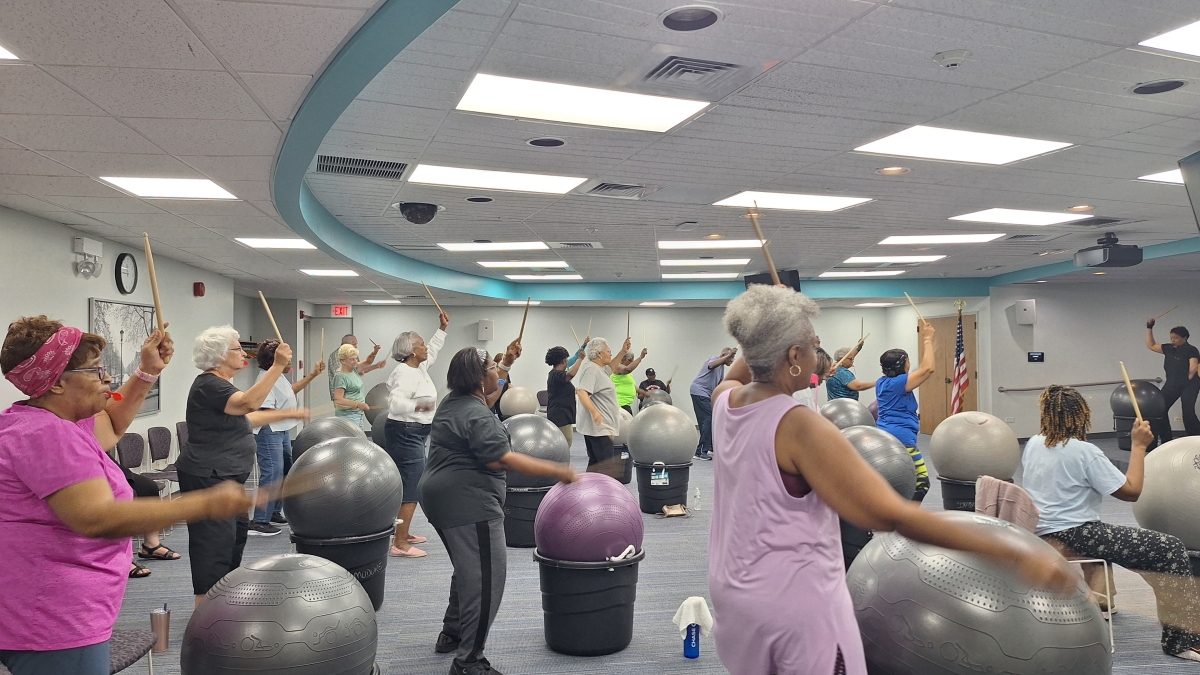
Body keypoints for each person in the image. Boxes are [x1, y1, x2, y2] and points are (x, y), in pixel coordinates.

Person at [707, 285, 1075, 675]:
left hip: (735, 591)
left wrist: (767, 318)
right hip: (793, 602)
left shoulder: (725, 401)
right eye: (814, 345)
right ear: (795, 357)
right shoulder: (798, 425)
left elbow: (743, 366)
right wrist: (1014, 553)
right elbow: (890, 514)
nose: (819, 353)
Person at [0, 317, 251, 675]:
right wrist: (205, 503)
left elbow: (113, 425)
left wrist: (148, 371)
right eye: (95, 370)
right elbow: (98, 518)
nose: (107, 378)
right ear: (56, 383)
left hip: (49, 610)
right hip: (53, 618)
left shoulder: (47, 422)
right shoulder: (48, 435)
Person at [419, 347, 576, 675]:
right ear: (479, 378)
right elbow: (502, 460)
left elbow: (489, 395)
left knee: (469, 569)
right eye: (493, 368)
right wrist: (559, 470)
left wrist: (505, 364)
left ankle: (452, 632)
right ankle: (469, 662)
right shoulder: (476, 416)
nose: (498, 375)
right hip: (468, 504)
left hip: (439, 498)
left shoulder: (455, 402)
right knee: (486, 582)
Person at [1021, 385, 1200, 661]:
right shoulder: (1084, 451)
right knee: (1170, 548)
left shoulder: (1034, 443)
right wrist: (1139, 446)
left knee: (1109, 536)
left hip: (1039, 531)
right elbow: (1131, 491)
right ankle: (1181, 642)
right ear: (1081, 416)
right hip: (1074, 534)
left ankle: (1104, 602)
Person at [180, 325, 304, 605]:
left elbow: (245, 419)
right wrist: (278, 365)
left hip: (227, 477)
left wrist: (285, 414)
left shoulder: (221, 386)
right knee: (212, 547)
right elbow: (248, 404)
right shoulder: (210, 384)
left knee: (233, 540)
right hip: (208, 476)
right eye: (238, 349)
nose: (244, 354)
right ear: (220, 355)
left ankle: (222, 603)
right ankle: (206, 612)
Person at [383, 310, 449, 559]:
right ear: (411, 351)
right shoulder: (405, 373)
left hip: (415, 432)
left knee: (408, 483)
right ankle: (400, 543)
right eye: (421, 344)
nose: (425, 347)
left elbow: (434, 349)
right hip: (405, 432)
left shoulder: (418, 367)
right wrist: (419, 406)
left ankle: (403, 532)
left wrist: (442, 329)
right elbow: (395, 404)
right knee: (413, 486)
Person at [249, 339, 322, 536]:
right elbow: (264, 411)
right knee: (272, 473)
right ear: (275, 359)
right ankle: (259, 521)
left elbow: (290, 391)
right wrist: (291, 414)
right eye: (287, 358)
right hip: (268, 431)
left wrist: (313, 375)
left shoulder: (279, 376)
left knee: (285, 470)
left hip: (281, 430)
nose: (290, 361)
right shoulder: (265, 379)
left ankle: (273, 511)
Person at [875, 325, 937, 501]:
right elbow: (928, 369)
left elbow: (924, 369)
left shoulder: (882, 382)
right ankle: (907, 517)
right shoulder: (899, 383)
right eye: (908, 361)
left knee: (893, 484)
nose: (910, 365)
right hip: (902, 440)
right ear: (902, 364)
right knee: (921, 483)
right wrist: (927, 339)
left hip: (886, 436)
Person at [575, 337, 628, 476]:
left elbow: (611, 368)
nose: (611, 354)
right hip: (599, 429)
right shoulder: (592, 370)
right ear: (599, 354)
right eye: (609, 351)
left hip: (598, 428)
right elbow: (582, 392)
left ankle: (589, 487)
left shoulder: (599, 368)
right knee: (606, 465)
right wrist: (594, 412)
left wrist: (623, 351)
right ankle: (604, 490)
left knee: (595, 462)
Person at [1145, 319, 1200, 439]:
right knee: (1160, 409)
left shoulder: (1191, 350)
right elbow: (1151, 345)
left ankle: (1195, 439)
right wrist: (1149, 327)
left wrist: (1187, 379)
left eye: (1176, 337)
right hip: (1173, 383)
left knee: (1188, 412)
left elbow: (1193, 367)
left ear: (1184, 338)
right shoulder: (1168, 348)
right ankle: (1166, 439)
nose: (1173, 340)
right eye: (1171, 337)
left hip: (1190, 384)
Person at [122, 466, 179, 578]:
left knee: (149, 486)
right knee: (121, 492)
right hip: (91, 471)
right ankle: (122, 557)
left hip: (107, 463)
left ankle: (151, 545)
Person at [691, 347, 738, 461]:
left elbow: (719, 385)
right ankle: (700, 452)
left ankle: (711, 447)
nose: (732, 360)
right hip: (699, 392)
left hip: (707, 395)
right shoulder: (713, 359)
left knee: (711, 419)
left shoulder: (721, 368)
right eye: (731, 357)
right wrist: (729, 354)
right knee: (709, 418)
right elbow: (711, 365)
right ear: (724, 355)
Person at [545, 340, 587, 446]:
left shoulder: (555, 375)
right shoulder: (556, 374)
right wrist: (580, 359)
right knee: (564, 445)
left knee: (561, 445)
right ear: (564, 361)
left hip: (562, 416)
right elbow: (570, 374)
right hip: (560, 417)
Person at [333, 344, 369, 429]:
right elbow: (338, 400)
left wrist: (375, 352)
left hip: (358, 414)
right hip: (347, 416)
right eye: (352, 359)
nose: (356, 361)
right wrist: (357, 404)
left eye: (356, 358)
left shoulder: (354, 370)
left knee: (359, 437)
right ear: (343, 361)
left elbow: (368, 362)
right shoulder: (340, 376)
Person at [610, 347, 648, 414]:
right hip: (619, 405)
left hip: (625, 405)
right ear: (623, 359)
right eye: (630, 360)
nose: (632, 363)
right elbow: (628, 369)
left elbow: (632, 386)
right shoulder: (618, 367)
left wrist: (645, 393)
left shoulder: (628, 375)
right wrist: (640, 357)